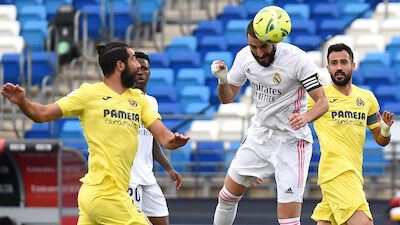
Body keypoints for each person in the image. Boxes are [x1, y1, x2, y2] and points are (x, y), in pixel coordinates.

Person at [1, 42, 190, 225]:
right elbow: (41, 114)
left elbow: (165, 138)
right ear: (120, 65)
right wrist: (22, 102)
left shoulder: (139, 100)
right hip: (103, 193)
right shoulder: (88, 94)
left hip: (105, 195)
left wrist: (175, 141)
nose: (138, 66)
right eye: (133, 59)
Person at [211, 20, 329, 225]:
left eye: (263, 46)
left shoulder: (298, 60)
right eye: (253, 47)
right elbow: (227, 98)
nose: (259, 53)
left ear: (274, 41)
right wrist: (222, 80)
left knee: (288, 220)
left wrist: (305, 118)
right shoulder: (244, 57)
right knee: (227, 197)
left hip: (291, 142)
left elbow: (322, 103)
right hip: (260, 135)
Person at [309, 43, 394, 225]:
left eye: (343, 62)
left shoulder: (367, 98)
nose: (339, 67)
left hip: (355, 173)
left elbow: (380, 139)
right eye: (334, 63)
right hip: (336, 171)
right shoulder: (318, 97)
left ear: (353, 65)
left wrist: (385, 128)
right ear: (328, 68)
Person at [128, 51, 183, 225]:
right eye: (137, 68)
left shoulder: (152, 102)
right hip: (129, 178)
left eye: (144, 68)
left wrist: (169, 168)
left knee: (162, 220)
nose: (140, 72)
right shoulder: (123, 100)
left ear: (149, 73)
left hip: (147, 178)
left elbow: (152, 142)